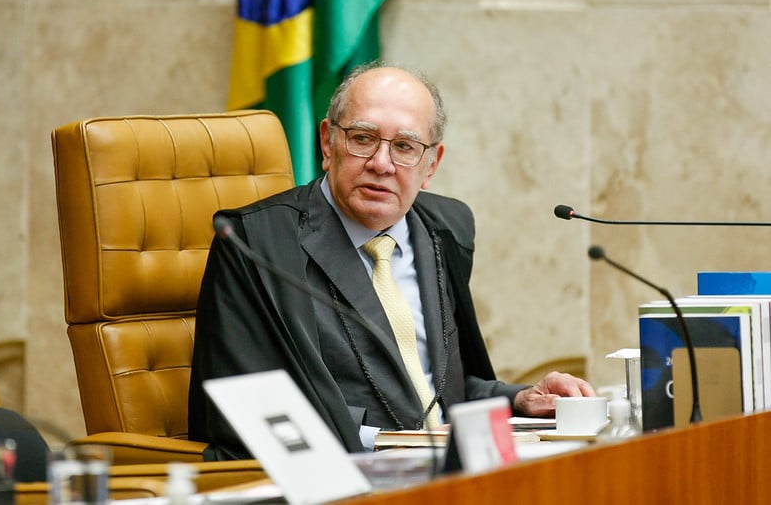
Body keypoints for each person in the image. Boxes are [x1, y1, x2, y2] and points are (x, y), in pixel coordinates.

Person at [188, 61, 595, 460]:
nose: (381, 164)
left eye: (404, 147)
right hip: (345, 477)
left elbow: (439, 393)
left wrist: (520, 399)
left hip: (452, 473)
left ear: (431, 165)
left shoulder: (445, 229)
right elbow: (248, 407)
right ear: (328, 143)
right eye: (362, 138)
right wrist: (389, 441)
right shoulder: (257, 243)